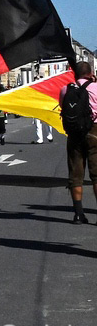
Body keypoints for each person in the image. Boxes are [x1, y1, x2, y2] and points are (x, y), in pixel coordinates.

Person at [58, 62, 97, 224]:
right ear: (91, 73)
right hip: (94, 131)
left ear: (74, 74)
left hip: (74, 134)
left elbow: (63, 107)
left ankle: (78, 214)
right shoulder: (96, 87)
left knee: (75, 175)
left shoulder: (66, 89)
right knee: (96, 175)